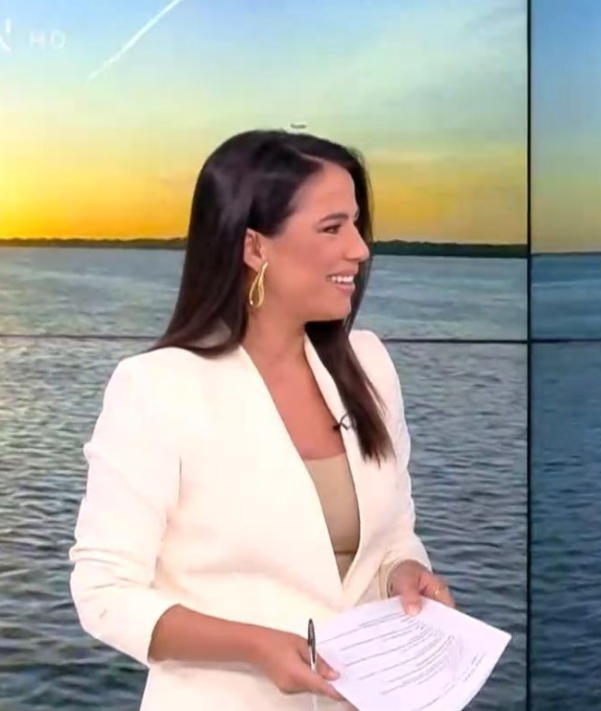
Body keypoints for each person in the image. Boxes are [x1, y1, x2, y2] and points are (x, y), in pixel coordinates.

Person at [69, 130, 454, 710]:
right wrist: (256, 647)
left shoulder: (369, 365)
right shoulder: (158, 387)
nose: (359, 249)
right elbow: (103, 593)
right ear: (254, 246)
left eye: (356, 224)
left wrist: (405, 572)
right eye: (332, 228)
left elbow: (395, 533)